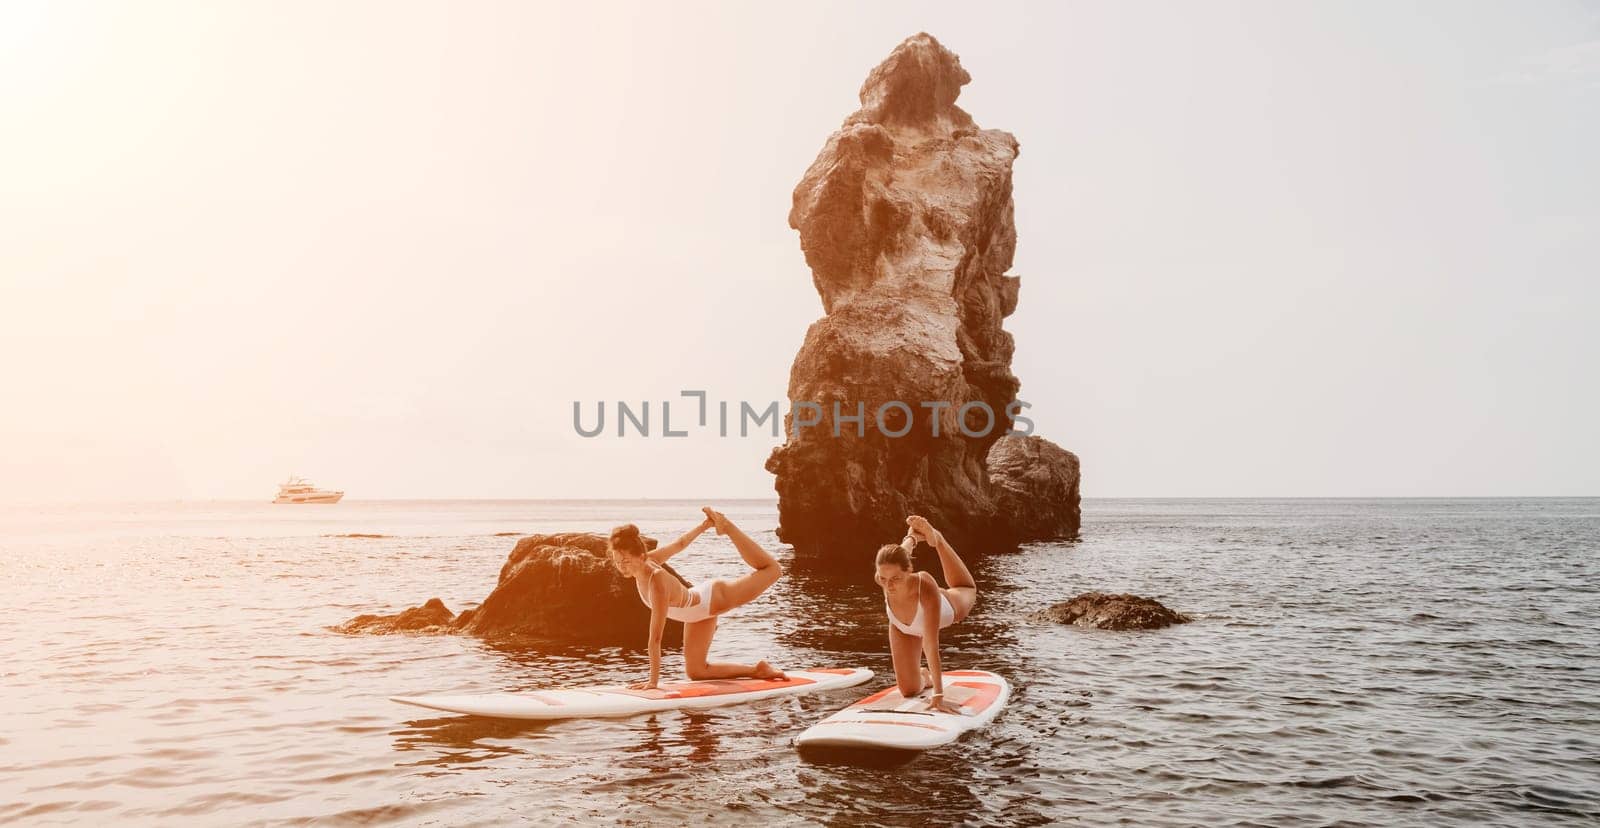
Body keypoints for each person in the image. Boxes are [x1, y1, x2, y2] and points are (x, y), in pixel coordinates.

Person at [608, 507, 785, 690]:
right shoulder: (645, 562)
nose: (621, 567)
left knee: (773, 570)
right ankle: (758, 670)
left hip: (715, 598)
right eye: (617, 561)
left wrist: (653, 682)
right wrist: (704, 525)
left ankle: (728, 528)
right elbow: (680, 543)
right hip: (696, 614)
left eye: (626, 561)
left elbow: (655, 638)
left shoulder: (656, 581)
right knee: (697, 672)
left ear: (641, 556)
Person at [875, 514, 977, 713]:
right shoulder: (883, 575)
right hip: (902, 626)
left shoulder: (925, 584)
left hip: (950, 605)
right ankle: (923, 675)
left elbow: (930, 644)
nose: (889, 585)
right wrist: (911, 538)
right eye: (883, 578)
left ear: (908, 570)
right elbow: (901, 553)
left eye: (896, 578)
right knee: (908, 690)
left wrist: (938, 696)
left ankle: (938, 539)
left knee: (965, 586)